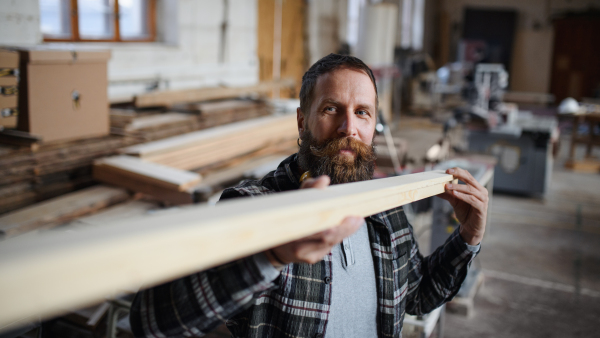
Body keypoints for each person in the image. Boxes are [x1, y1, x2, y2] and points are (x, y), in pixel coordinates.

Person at [130, 54, 488, 338]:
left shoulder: (386, 205)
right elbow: (153, 321)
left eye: (362, 112)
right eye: (332, 109)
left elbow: (417, 297)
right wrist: (270, 255)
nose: (349, 128)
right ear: (302, 121)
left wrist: (467, 238)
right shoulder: (256, 206)